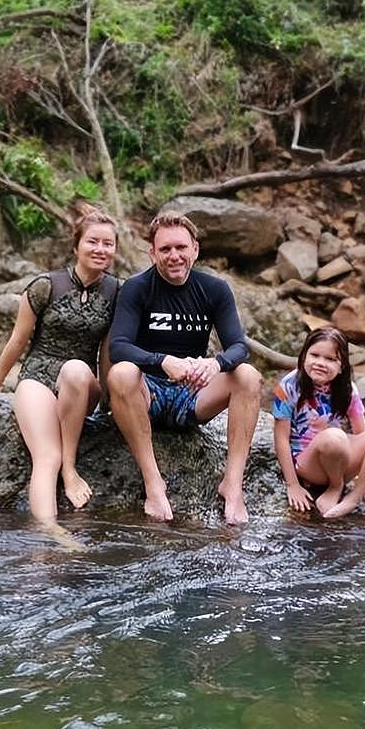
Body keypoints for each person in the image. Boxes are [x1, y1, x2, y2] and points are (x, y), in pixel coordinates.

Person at [0, 204, 119, 526]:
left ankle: (71, 469)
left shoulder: (118, 291)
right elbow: (18, 341)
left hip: (81, 384)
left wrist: (110, 401)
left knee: (75, 369)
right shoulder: (45, 285)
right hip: (38, 376)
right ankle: (48, 536)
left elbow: (107, 350)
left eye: (108, 243)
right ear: (76, 246)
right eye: (93, 241)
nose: (100, 249)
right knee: (46, 456)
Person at [107, 211, 261, 525]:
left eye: (181, 247)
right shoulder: (137, 288)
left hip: (192, 394)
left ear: (195, 249)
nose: (174, 256)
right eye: (165, 249)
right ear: (152, 253)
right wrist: (161, 360)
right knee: (121, 372)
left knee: (248, 375)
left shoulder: (214, 289)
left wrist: (215, 364)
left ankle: (232, 485)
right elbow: (118, 346)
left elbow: (239, 346)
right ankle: (154, 483)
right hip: (146, 392)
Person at [272, 326, 365, 518]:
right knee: (334, 436)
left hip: (340, 459)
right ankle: (335, 486)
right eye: (315, 355)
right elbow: (281, 439)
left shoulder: (348, 390)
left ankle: (354, 498)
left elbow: (362, 434)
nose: (320, 363)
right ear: (304, 356)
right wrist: (293, 485)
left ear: (342, 366)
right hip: (309, 464)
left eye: (331, 359)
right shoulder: (287, 386)